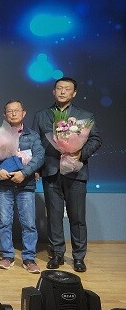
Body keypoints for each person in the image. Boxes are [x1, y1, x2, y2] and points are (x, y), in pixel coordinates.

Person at [32, 77, 102, 273]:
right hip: (51, 171)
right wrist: (36, 168)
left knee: (77, 217)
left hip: (76, 172)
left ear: (74, 93)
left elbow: (96, 140)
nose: (62, 92)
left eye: (67, 89)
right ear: (53, 91)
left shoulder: (85, 115)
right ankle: (57, 254)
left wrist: (81, 153)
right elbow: (35, 143)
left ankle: (79, 257)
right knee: (54, 217)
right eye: (59, 88)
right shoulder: (41, 116)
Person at [0, 100, 45, 273]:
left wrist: (24, 173)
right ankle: (7, 256)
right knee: (4, 222)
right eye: (9, 111)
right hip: (3, 185)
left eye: (16, 110)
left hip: (25, 184)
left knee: (29, 223)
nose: (13, 113)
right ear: (4, 114)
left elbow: (39, 156)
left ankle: (29, 258)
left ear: (23, 113)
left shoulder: (32, 135)